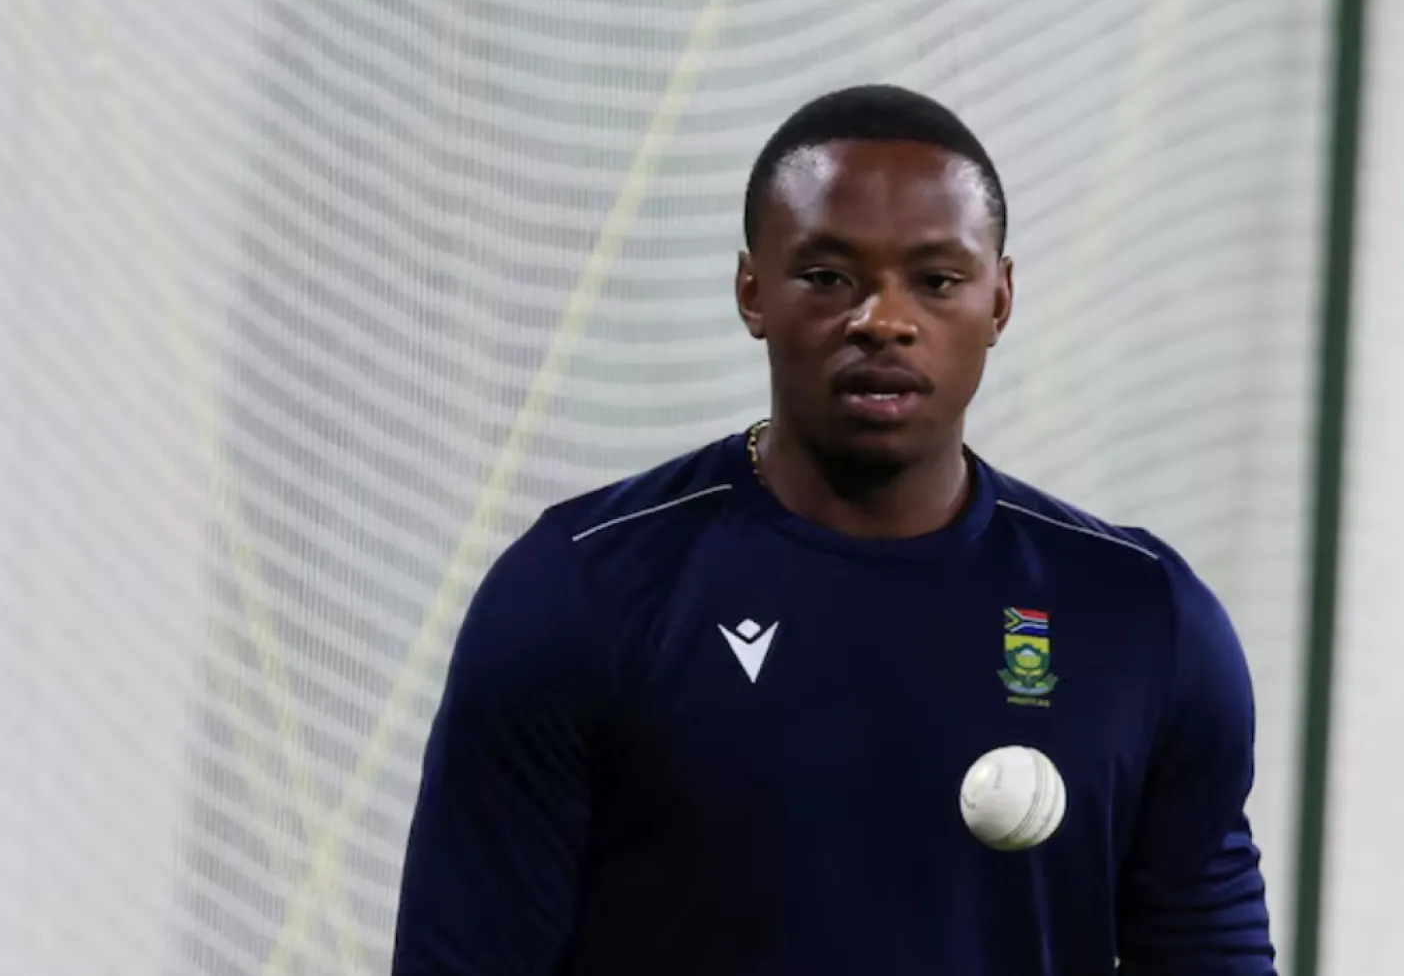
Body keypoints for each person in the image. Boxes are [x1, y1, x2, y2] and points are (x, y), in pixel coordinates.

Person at [390, 84, 1276, 975]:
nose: (883, 320)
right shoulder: (582, 590)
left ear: (1000, 300)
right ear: (752, 292)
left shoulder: (1140, 614)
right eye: (827, 277)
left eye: (937, 281)